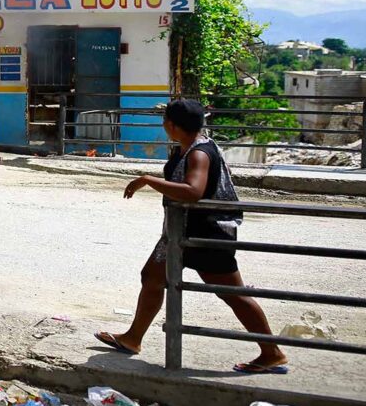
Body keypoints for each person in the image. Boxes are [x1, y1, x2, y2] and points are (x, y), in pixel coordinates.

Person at [95, 99, 288, 374]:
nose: (163, 125)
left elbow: (193, 191)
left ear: (172, 125)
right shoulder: (186, 148)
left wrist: (148, 180)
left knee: (232, 294)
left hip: (205, 235)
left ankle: (272, 352)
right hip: (178, 234)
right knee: (151, 277)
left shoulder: (199, 154)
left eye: (165, 121)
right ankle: (132, 339)